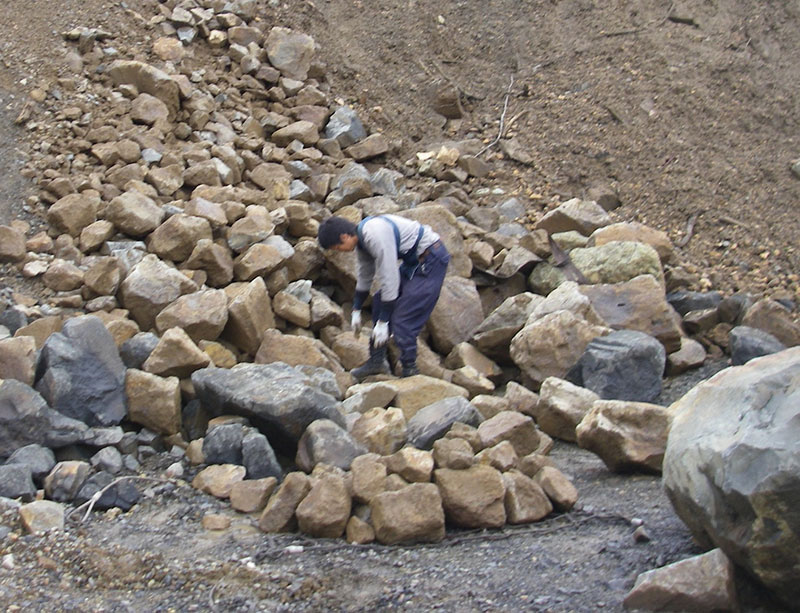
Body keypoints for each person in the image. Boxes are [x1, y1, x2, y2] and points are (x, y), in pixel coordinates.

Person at [317, 214, 450, 379]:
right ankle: (377, 361)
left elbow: (390, 278)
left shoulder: (375, 235)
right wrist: (356, 309)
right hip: (414, 263)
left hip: (431, 260)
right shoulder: (361, 240)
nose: (340, 252)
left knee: (404, 318)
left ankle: (410, 370)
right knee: (380, 301)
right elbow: (365, 274)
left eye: (337, 248)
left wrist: (383, 321)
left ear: (344, 237)